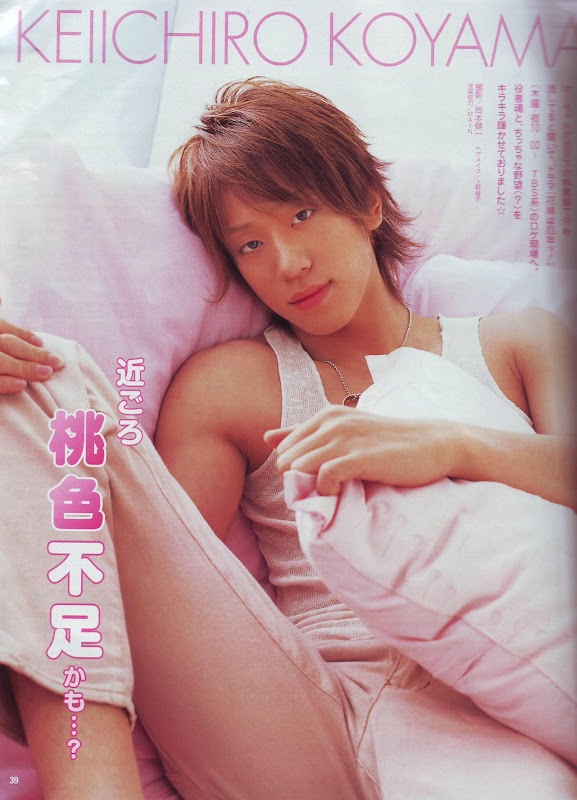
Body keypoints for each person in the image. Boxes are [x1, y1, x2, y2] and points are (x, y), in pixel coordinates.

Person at [0, 78, 575, 799]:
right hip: (299, 705)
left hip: (494, 698)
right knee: (38, 381)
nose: (287, 263)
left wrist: (453, 448)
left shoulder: (520, 343)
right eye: (250, 244)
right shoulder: (229, 384)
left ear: (368, 200)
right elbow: (162, 581)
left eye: (302, 214)